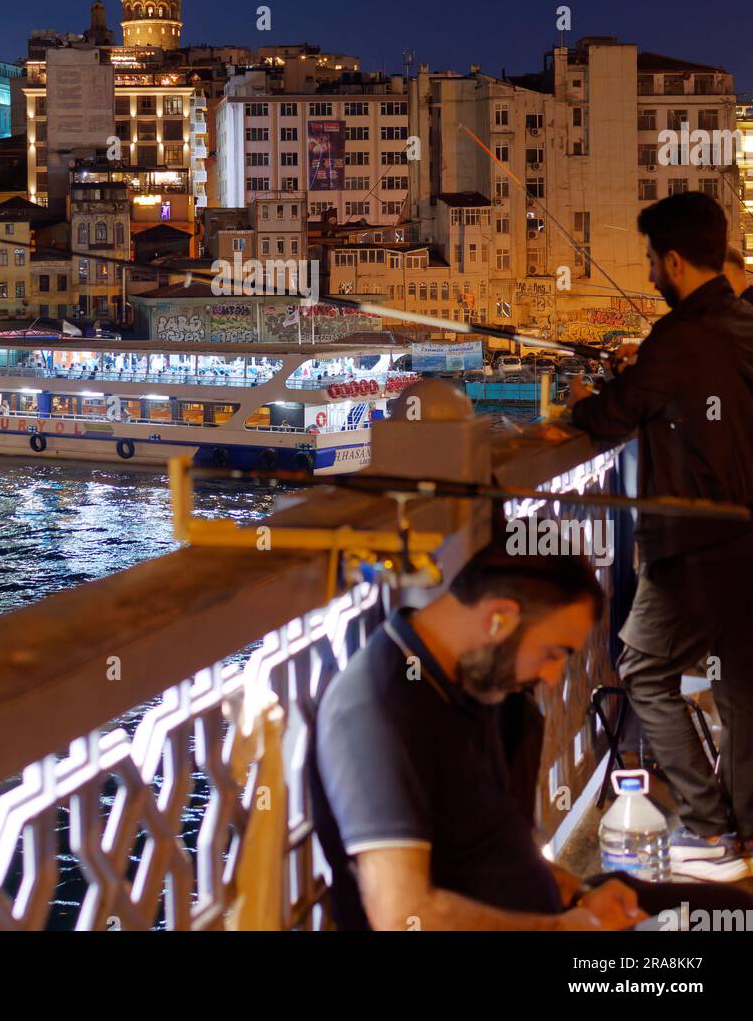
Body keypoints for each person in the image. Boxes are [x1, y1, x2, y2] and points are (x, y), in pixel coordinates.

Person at [309, 529, 752, 930]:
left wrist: (580, 894)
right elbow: (403, 914)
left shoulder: (470, 684)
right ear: (499, 617)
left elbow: (499, 849)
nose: (554, 677)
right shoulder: (378, 709)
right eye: (553, 652)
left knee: (733, 914)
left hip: (546, 912)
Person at [569, 192, 753, 881]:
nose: (648, 274)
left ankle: (709, 831)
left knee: (644, 671)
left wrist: (575, 408)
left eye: (650, 261)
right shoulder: (740, 323)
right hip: (744, 537)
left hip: (695, 543)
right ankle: (744, 835)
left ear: (672, 260)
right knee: (740, 691)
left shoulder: (680, 338)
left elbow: (614, 414)